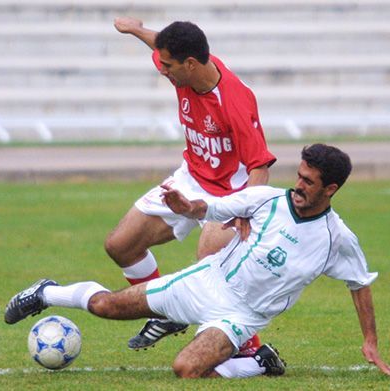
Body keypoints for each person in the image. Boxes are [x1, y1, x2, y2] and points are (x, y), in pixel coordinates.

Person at [4, 144, 390, 379]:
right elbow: (209, 206)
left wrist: (371, 341)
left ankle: (259, 360)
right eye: (299, 175)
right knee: (108, 306)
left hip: (240, 318)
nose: (299, 185)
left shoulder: (336, 239)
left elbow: (359, 283)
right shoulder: (267, 200)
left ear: (331, 189)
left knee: (187, 369)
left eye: (309, 182)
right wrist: (185, 205)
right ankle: (47, 292)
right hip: (204, 283)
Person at [104, 17, 276, 351]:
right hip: (190, 180)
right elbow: (159, 44)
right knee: (121, 245)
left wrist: (244, 210)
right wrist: (135, 29)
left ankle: (252, 350)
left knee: (208, 273)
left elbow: (260, 165)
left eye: (168, 65)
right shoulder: (183, 70)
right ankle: (165, 311)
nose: (162, 70)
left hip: (230, 195)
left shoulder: (235, 100)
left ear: (190, 64)